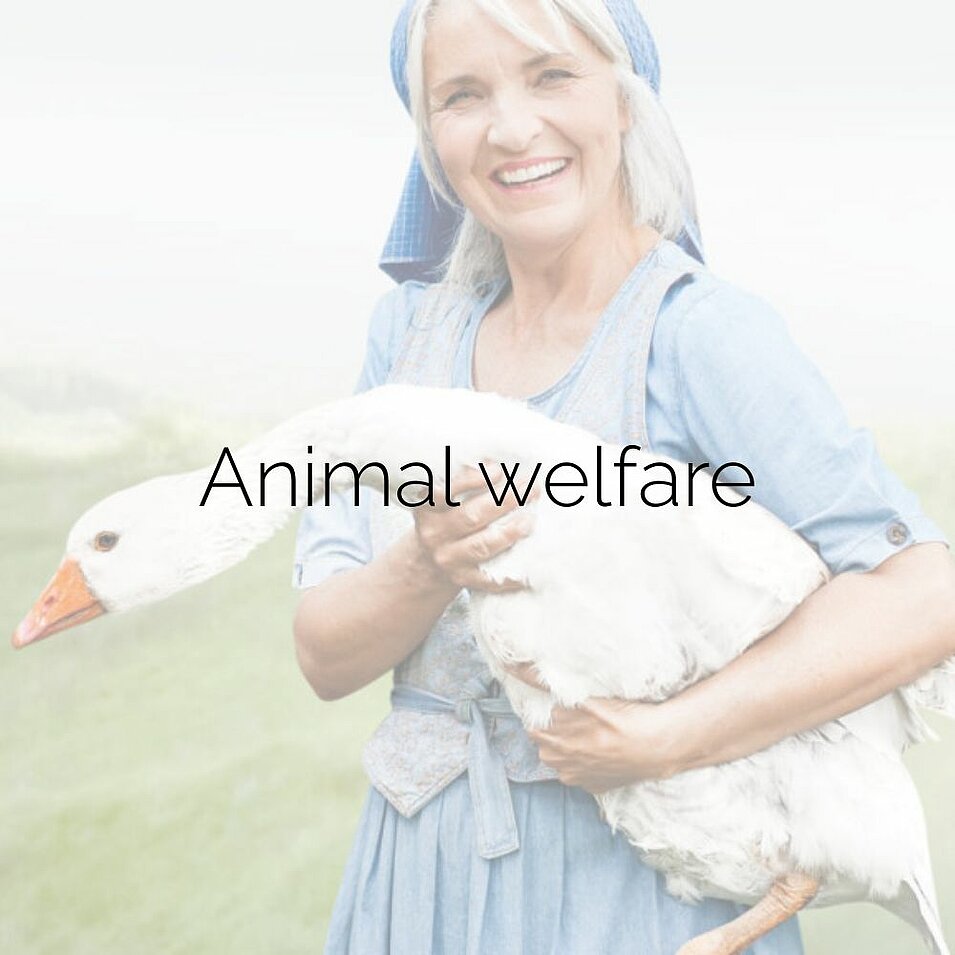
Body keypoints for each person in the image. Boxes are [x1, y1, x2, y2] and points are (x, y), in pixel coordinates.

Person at [292, 0, 955, 951]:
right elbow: (325, 656)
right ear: (430, 138)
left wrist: (668, 733)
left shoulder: (698, 335)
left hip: (642, 900)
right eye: (462, 95)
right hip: (416, 885)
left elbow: (922, 592)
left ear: (625, 101)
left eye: (552, 76)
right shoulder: (404, 340)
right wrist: (429, 559)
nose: (511, 128)